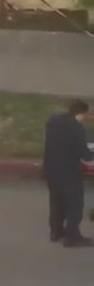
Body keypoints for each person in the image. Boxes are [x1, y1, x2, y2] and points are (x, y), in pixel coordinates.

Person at [43, 100, 94, 247]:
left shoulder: (53, 121)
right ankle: (72, 237)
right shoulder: (76, 128)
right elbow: (84, 154)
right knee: (74, 204)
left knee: (56, 202)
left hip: (51, 170)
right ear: (82, 113)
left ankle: (56, 232)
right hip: (69, 172)